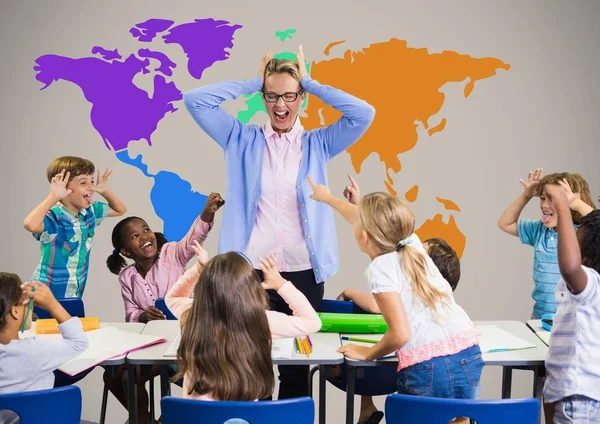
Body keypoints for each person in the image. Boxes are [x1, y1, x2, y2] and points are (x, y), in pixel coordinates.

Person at [183, 46, 375, 398]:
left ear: (301, 97)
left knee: (297, 369)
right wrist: (253, 82)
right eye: (271, 96)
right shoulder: (240, 138)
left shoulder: (317, 143)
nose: (280, 105)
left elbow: (363, 113)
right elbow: (195, 100)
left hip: (303, 271)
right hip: (248, 271)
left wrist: (313, 83)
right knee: (246, 364)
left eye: (289, 95)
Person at [308, 178, 483, 406]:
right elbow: (362, 220)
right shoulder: (413, 244)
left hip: (429, 364)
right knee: (455, 419)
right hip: (468, 351)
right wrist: (328, 198)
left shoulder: (380, 269)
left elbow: (400, 334)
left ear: (363, 237)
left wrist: (368, 353)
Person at [102, 193, 223, 422]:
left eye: (146, 229)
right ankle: (145, 420)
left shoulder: (172, 254)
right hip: (151, 346)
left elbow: (194, 236)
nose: (145, 237)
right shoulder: (127, 276)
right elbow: (130, 314)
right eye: (135, 236)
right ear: (126, 252)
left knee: (132, 376)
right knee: (114, 377)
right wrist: (143, 315)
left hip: (186, 344)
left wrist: (208, 212)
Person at [168, 249, 321, 400]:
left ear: (204, 287)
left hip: (196, 416)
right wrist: (280, 284)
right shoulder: (261, 320)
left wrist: (197, 270)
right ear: (250, 288)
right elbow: (312, 322)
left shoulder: (193, 315)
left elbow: (172, 298)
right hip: (246, 417)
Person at [24, 156, 127, 298]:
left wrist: (104, 191)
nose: (91, 187)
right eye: (83, 183)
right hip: (43, 295)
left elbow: (120, 210)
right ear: (63, 187)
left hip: (74, 293)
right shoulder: (54, 217)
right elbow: (30, 224)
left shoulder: (90, 212)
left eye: (92, 181)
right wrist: (53, 197)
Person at [498, 169, 595, 319]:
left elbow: (598, 226)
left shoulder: (582, 234)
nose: (545, 205)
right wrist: (526, 195)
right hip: (540, 316)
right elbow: (505, 223)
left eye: (553, 199)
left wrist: (577, 203)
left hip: (573, 320)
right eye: (542, 198)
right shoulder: (539, 231)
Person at [541, 182, 600, 423]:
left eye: (576, 240)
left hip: (579, 401)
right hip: (569, 396)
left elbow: (570, 266)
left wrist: (564, 208)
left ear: (585, 255)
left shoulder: (591, 285)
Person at [0, 273, 88, 394]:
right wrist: (52, 305)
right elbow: (79, 342)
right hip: (38, 413)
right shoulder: (32, 352)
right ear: (15, 311)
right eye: (28, 303)